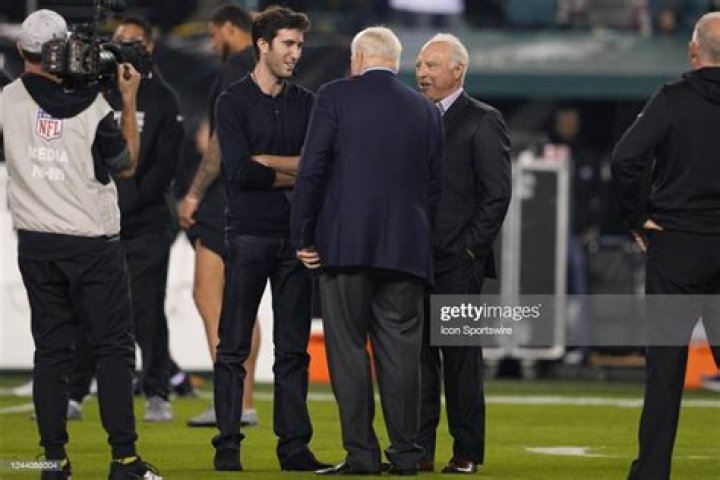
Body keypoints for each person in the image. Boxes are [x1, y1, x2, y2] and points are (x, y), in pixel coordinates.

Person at [0, 9, 160, 479]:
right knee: (113, 350)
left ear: (20, 50)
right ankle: (124, 461)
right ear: (63, 49)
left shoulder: (6, 100)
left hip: (36, 245)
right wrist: (127, 99)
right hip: (92, 245)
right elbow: (126, 165)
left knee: (51, 354)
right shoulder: (93, 107)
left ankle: (54, 462)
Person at [292, 26, 444, 476]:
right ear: (394, 61)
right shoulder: (426, 109)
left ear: (358, 58)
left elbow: (312, 169)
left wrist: (303, 236)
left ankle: (362, 454)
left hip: (345, 245)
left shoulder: (334, 96)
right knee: (402, 356)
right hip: (406, 250)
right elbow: (434, 186)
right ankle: (406, 454)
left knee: (348, 352)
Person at [210, 6, 328, 472]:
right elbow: (239, 171)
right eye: (288, 44)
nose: (296, 53)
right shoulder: (232, 101)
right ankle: (227, 447)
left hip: (296, 239)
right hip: (247, 235)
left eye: (299, 45)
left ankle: (294, 449)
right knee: (233, 347)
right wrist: (294, 169)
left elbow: (318, 168)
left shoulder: (308, 102)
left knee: (293, 350)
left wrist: (268, 163)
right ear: (262, 45)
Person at [611, 11, 720, 480]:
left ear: (693, 51)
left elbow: (626, 158)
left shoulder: (672, 100)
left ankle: (652, 471)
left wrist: (638, 217)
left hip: (677, 245)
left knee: (666, 368)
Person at [63, 14, 185, 423]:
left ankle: (157, 392)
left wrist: (123, 205)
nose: (122, 50)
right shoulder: (98, 94)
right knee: (87, 308)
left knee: (147, 310)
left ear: (148, 47)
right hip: (97, 222)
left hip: (145, 224)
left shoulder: (164, 99)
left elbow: (164, 170)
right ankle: (76, 391)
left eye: (132, 42)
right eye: (117, 41)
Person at [414, 33, 511, 474]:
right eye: (420, 64)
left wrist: (471, 250)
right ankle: (418, 450)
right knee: (417, 363)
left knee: (461, 363)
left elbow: (497, 194)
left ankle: (467, 451)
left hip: (458, 264)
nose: (422, 73)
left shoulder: (483, 120)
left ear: (458, 71)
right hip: (413, 260)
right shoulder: (414, 117)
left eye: (432, 65)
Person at [176, 3, 261, 428]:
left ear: (230, 28)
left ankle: (230, 401)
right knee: (242, 305)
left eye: (213, 35)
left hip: (222, 199)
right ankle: (244, 402)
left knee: (210, 298)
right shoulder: (264, 69)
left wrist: (193, 193)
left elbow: (221, 143)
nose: (212, 44)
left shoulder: (234, 68)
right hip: (255, 200)